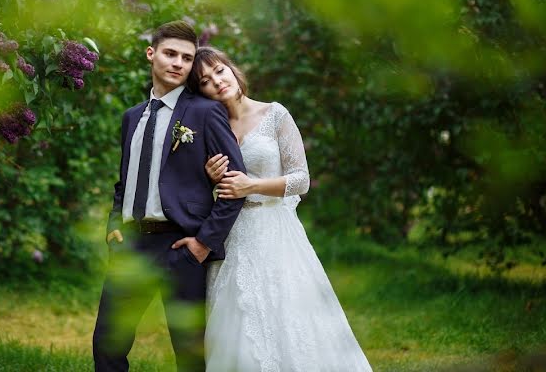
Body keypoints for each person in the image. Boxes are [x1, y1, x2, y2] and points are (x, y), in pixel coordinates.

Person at [189, 46, 372, 372]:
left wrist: (253, 185)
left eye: (219, 71)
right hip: (231, 237)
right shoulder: (208, 127)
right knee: (237, 324)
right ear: (200, 91)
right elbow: (203, 190)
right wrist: (210, 178)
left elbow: (301, 179)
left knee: (289, 316)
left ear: (232, 69)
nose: (217, 82)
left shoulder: (274, 114)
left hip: (275, 231)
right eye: (205, 81)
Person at [93, 22, 248, 372]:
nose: (178, 63)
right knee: (107, 343)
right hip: (130, 247)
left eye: (187, 58)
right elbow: (124, 182)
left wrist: (204, 243)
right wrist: (114, 225)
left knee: (189, 353)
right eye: (170, 54)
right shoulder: (131, 117)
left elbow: (235, 185)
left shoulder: (205, 113)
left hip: (182, 247)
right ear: (151, 54)